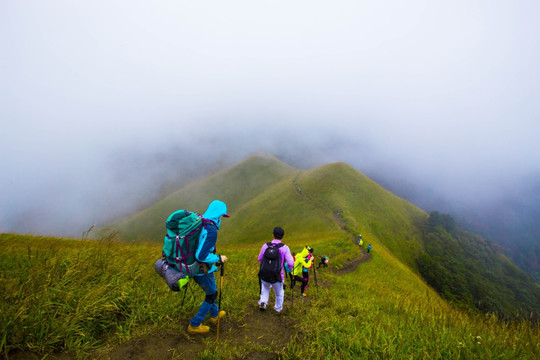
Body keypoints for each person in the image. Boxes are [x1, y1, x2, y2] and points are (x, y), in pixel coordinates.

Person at [187, 200, 229, 334]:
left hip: (194, 266)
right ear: (218, 213)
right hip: (202, 269)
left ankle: (215, 314)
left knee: (211, 291)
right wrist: (219, 258)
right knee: (212, 295)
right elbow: (201, 255)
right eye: (222, 214)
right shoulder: (210, 230)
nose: (223, 217)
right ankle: (194, 324)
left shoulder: (201, 222)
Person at [257, 227, 295, 313]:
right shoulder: (285, 248)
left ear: (273, 235)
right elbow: (290, 263)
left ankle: (263, 302)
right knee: (279, 293)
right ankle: (278, 308)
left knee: (265, 288)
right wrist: (290, 269)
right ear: (283, 236)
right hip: (277, 276)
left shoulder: (265, 245)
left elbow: (259, 259)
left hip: (264, 274)